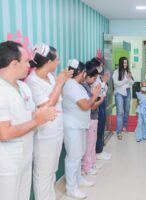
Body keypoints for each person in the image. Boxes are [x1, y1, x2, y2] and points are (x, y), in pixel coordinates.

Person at [0, 41, 57, 200]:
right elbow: (4, 133)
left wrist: (39, 114)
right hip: (5, 166)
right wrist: (38, 120)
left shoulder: (23, 87)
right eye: (26, 61)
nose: (29, 65)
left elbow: (28, 115)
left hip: (24, 159)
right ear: (14, 63)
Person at [25, 43, 72, 200]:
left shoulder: (51, 77)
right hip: (44, 136)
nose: (58, 62)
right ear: (48, 61)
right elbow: (46, 106)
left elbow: (58, 97)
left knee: (51, 172)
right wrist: (59, 83)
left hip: (57, 131)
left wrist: (60, 82)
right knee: (43, 175)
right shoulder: (32, 81)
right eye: (56, 59)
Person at [62, 59, 101, 199]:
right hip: (72, 126)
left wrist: (93, 97)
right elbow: (85, 105)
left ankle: (78, 179)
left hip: (80, 125)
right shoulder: (71, 85)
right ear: (82, 72)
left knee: (78, 155)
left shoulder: (77, 85)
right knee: (73, 157)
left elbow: (87, 104)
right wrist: (95, 95)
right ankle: (71, 188)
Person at [81, 61, 105, 175]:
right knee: (89, 144)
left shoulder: (88, 86)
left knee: (92, 142)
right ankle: (87, 166)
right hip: (90, 118)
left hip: (93, 118)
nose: (95, 80)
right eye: (94, 78)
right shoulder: (84, 87)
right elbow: (91, 105)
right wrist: (100, 99)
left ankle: (92, 163)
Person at [90, 57, 112, 160]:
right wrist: (103, 83)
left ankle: (100, 149)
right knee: (98, 128)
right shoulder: (93, 78)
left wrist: (104, 82)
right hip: (97, 103)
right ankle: (98, 151)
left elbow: (104, 90)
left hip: (102, 102)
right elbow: (97, 91)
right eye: (100, 65)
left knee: (102, 126)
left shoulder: (99, 77)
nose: (101, 67)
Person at [112, 57, 134, 140]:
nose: (125, 64)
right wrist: (126, 79)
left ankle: (124, 126)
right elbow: (117, 83)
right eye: (124, 63)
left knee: (127, 110)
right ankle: (119, 132)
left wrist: (130, 77)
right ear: (121, 63)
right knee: (120, 112)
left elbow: (131, 82)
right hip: (119, 93)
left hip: (127, 92)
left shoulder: (127, 71)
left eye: (126, 63)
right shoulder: (116, 72)